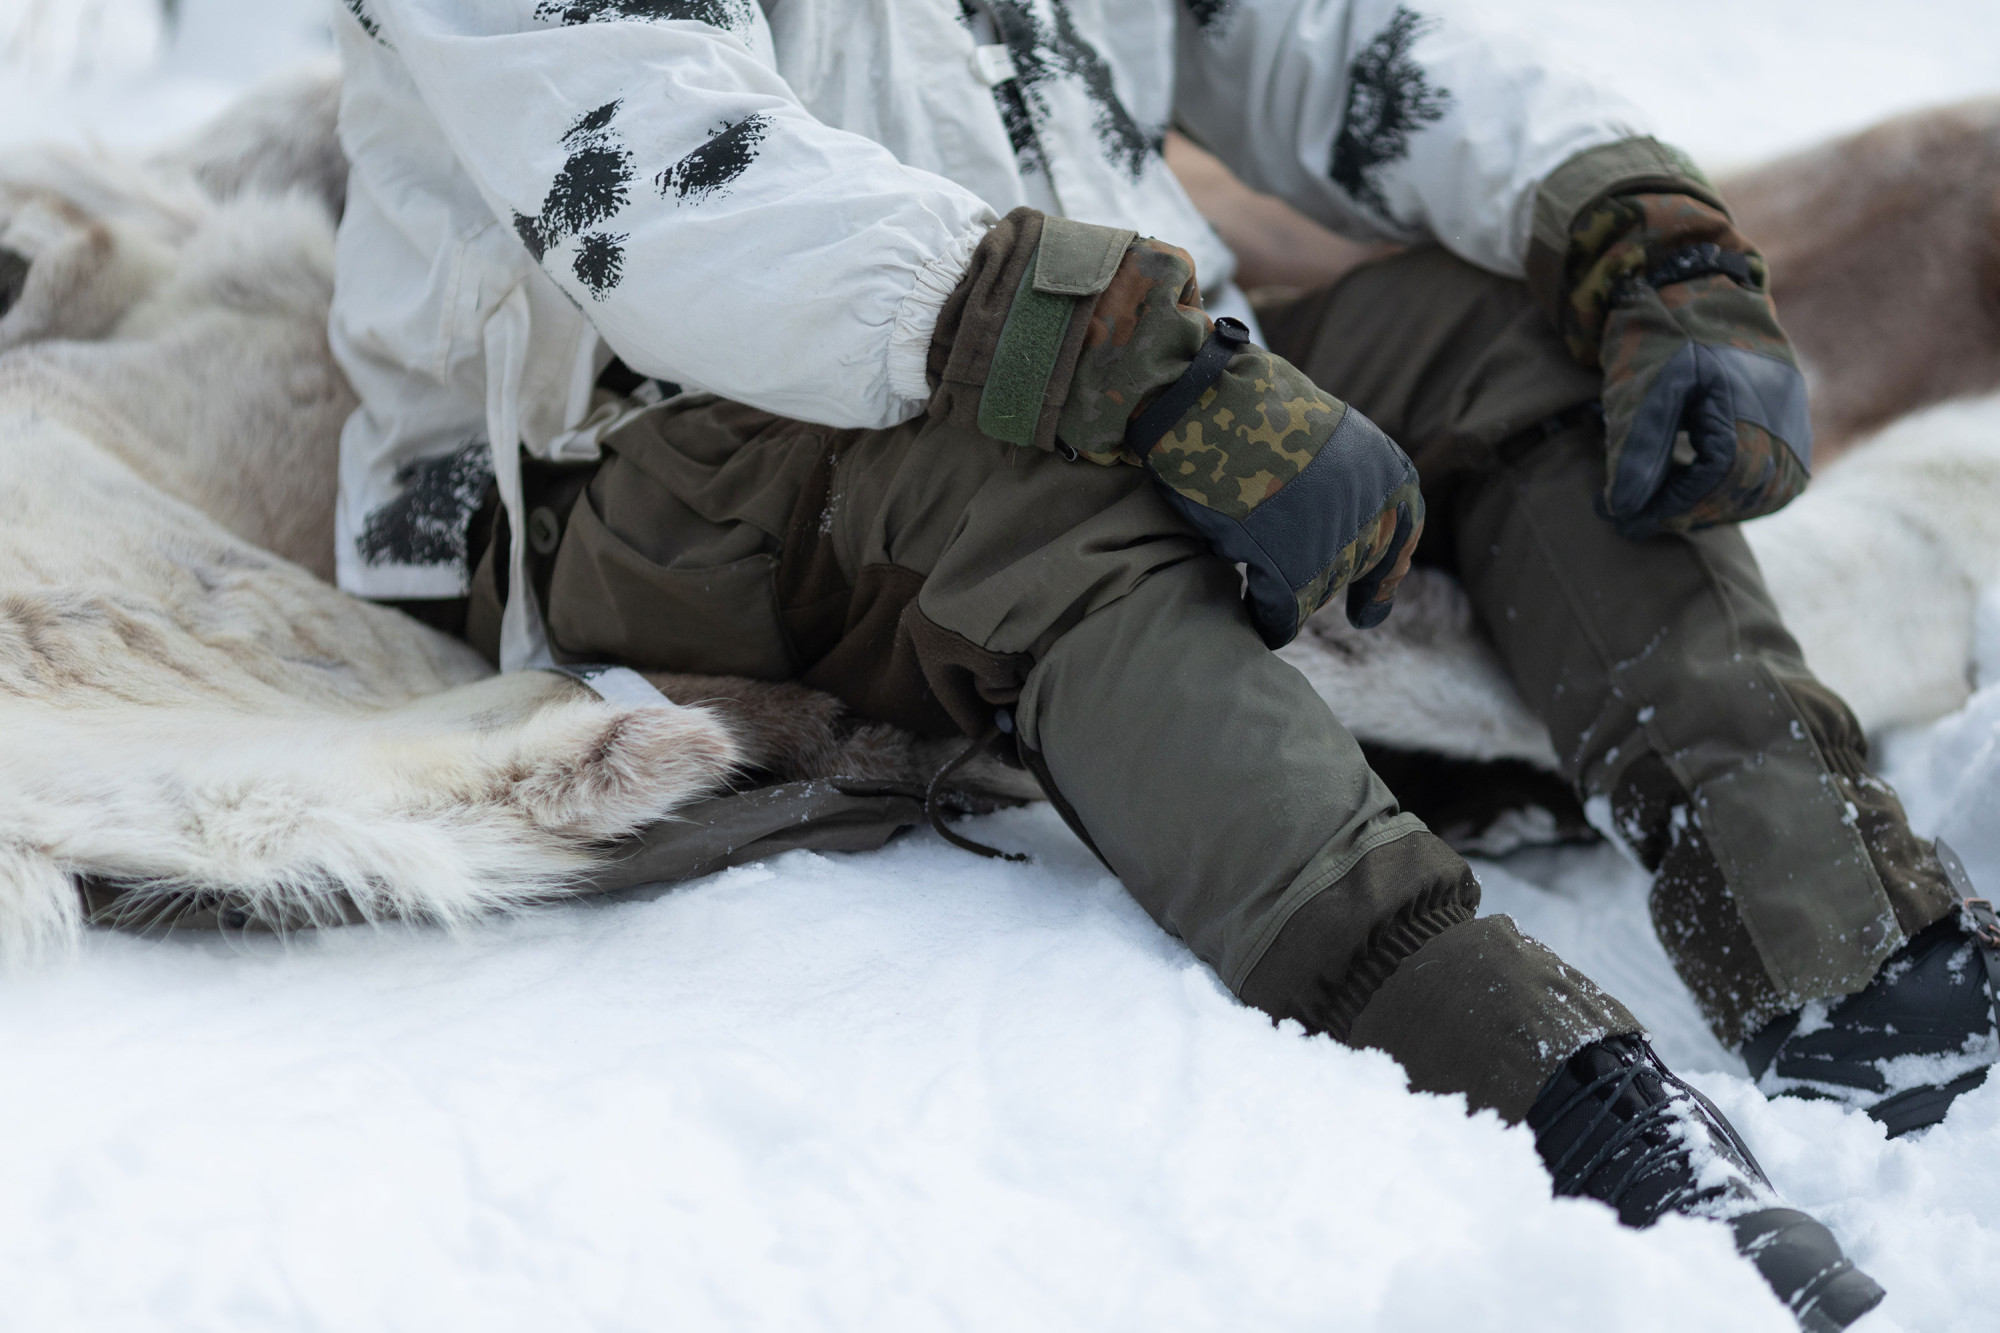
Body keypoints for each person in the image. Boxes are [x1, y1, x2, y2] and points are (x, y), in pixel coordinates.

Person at [325, 1, 1998, 1323]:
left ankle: (1857, 954)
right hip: (627, 446)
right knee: (1037, 490)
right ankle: (1524, 1072)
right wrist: (1138, 367)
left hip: (1076, 332)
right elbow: (664, 180)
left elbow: (1325, 41)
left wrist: (1639, 229)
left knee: (1510, 335)